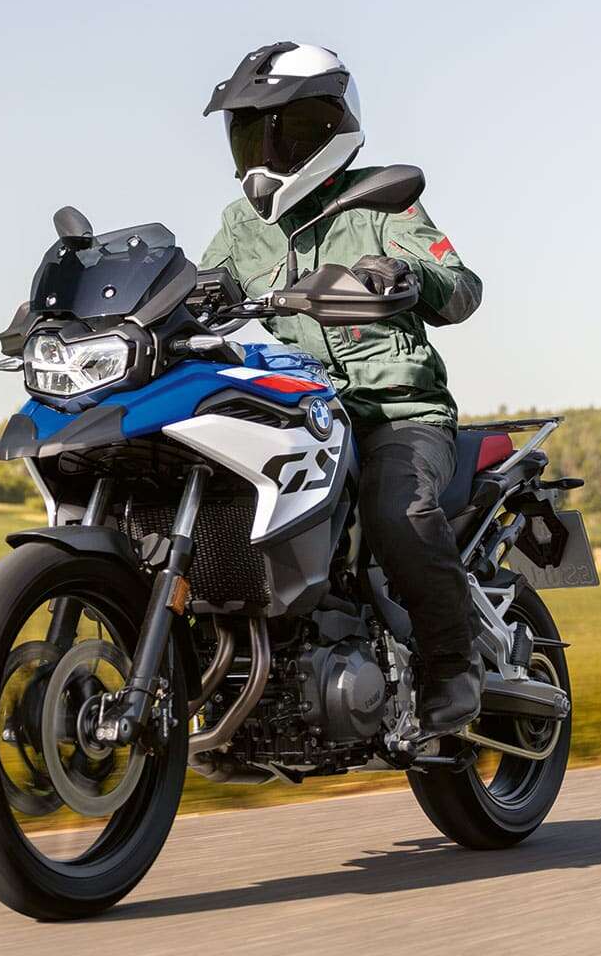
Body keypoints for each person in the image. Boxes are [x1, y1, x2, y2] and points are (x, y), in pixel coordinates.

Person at [198, 41, 485, 735]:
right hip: (296, 411)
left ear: (324, 129)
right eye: (248, 135)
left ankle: (455, 665)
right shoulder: (242, 226)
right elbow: (203, 289)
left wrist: (409, 278)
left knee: (399, 513)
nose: (262, 154)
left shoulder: (385, 201)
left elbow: (463, 288)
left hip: (393, 413)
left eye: (279, 133)